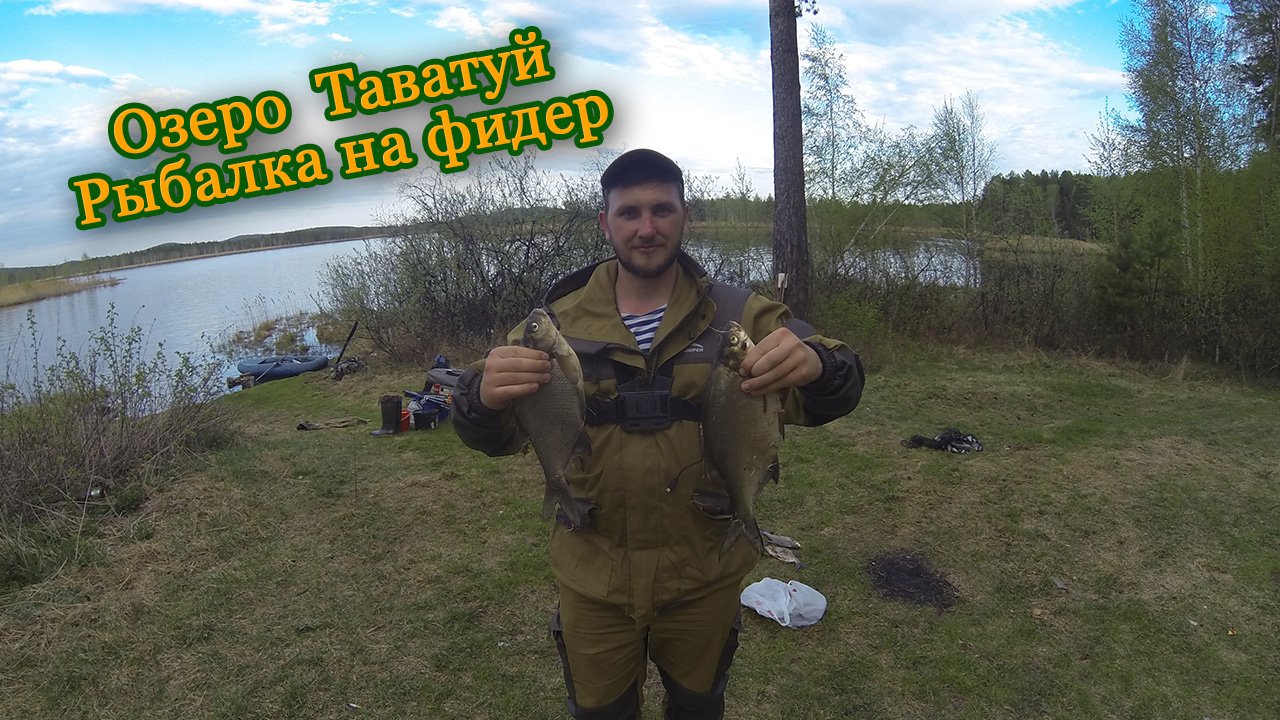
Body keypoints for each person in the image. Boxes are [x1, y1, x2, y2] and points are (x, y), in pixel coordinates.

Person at [452, 148, 864, 719]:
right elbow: (490, 435)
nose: (646, 228)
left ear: (685, 216)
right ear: (605, 223)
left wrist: (820, 366)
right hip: (594, 578)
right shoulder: (550, 325)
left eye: (661, 210)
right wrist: (480, 399)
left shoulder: (743, 317)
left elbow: (838, 384)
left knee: (698, 706)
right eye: (629, 213)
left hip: (704, 578)